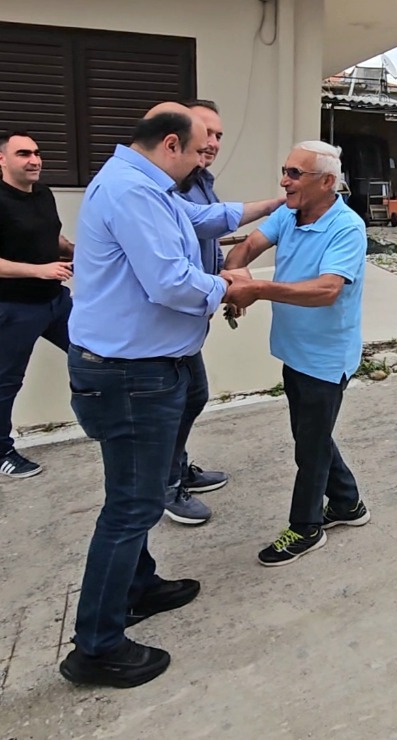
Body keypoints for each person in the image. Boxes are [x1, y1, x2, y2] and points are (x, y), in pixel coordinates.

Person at [59, 102, 284, 689]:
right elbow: (168, 282)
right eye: (201, 144)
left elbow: (199, 220)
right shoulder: (133, 192)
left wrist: (271, 206)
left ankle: (137, 587)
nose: (207, 155)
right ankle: (97, 647)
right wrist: (233, 285)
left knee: (133, 495)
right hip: (131, 376)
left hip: (144, 369)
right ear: (170, 145)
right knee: (131, 506)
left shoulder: (147, 186)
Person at [223, 141, 371, 567]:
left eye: (294, 174)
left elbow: (327, 290)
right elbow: (246, 247)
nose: (284, 181)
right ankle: (347, 503)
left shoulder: (347, 228)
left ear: (327, 182)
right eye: (284, 170)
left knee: (310, 447)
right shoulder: (289, 214)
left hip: (326, 357)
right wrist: (236, 275)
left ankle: (306, 528)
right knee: (312, 436)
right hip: (294, 350)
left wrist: (257, 289)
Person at [163, 99, 227, 526]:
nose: (213, 142)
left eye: (219, 135)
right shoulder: (168, 187)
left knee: (193, 396)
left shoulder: (200, 180)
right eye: (206, 132)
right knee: (179, 400)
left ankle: (176, 469)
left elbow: (211, 230)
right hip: (170, 316)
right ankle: (167, 486)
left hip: (194, 311)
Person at [0, 131, 74, 479]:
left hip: (55, 301)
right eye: (24, 154)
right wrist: (39, 270)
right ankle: (2, 451)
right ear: (2, 160)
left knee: (96, 351)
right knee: (6, 382)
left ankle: (110, 422)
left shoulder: (43, 194)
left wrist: (74, 250)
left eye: (37, 153)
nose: (34, 160)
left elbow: (51, 234)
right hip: (13, 308)